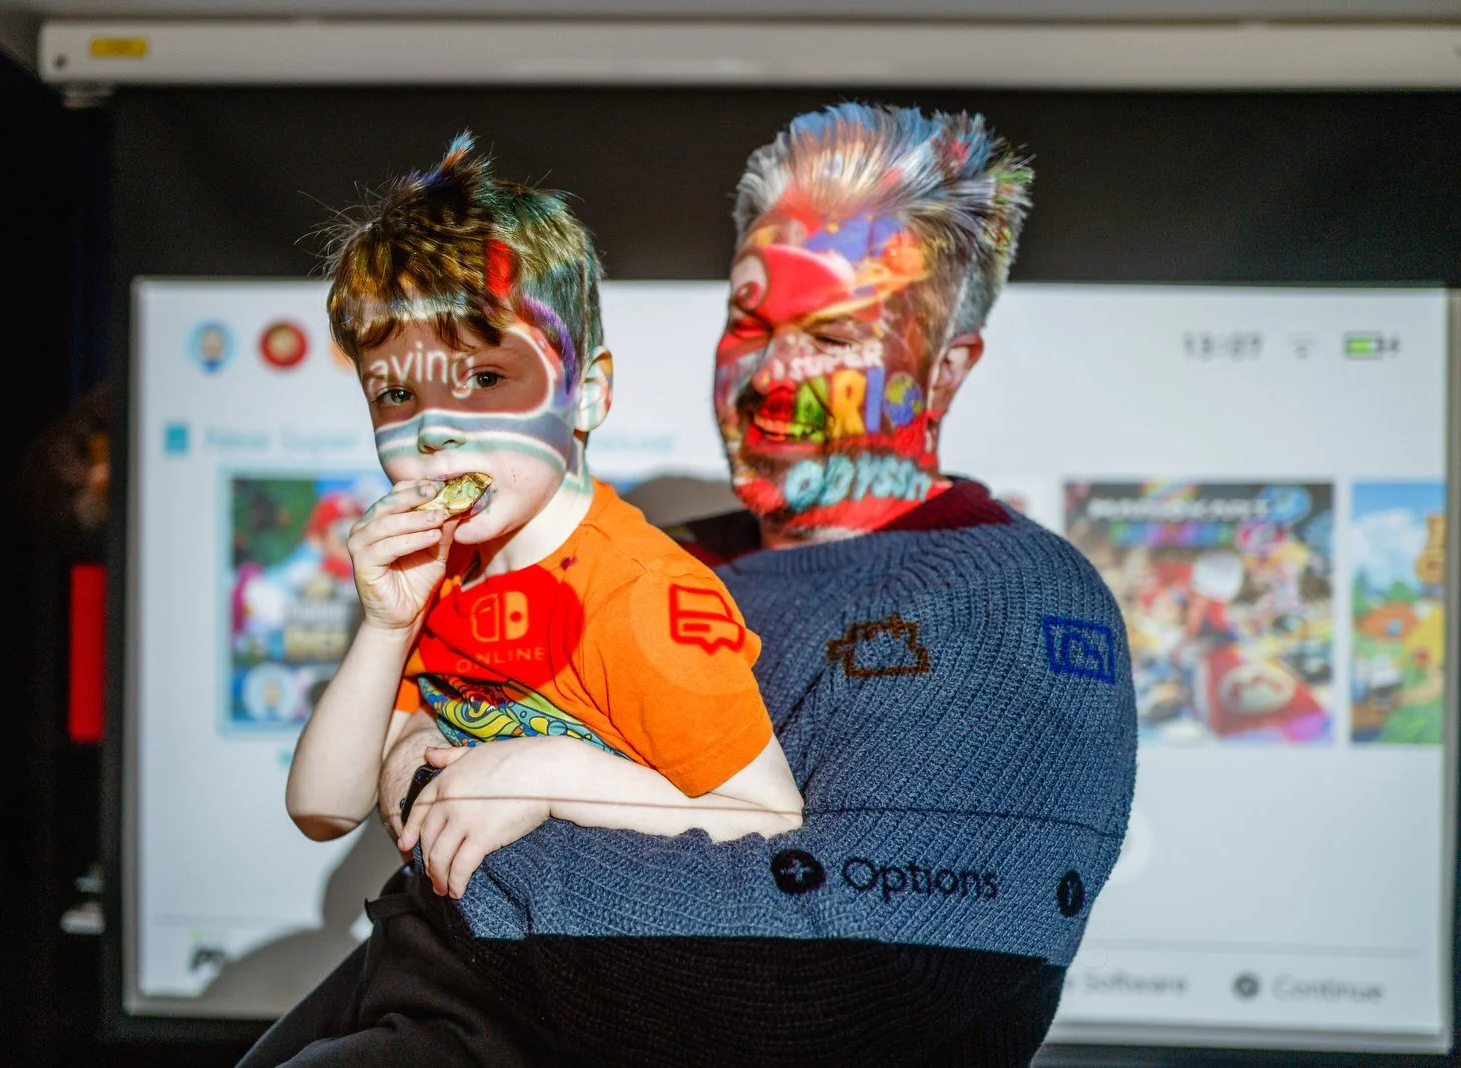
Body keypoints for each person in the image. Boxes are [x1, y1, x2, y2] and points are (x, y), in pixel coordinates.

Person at [242, 104, 1137, 1068]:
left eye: (831, 335)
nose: (771, 373)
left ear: (947, 371)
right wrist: (418, 741)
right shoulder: (645, 547)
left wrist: (512, 807)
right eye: (751, 324)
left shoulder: (1012, 596)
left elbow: (861, 972)